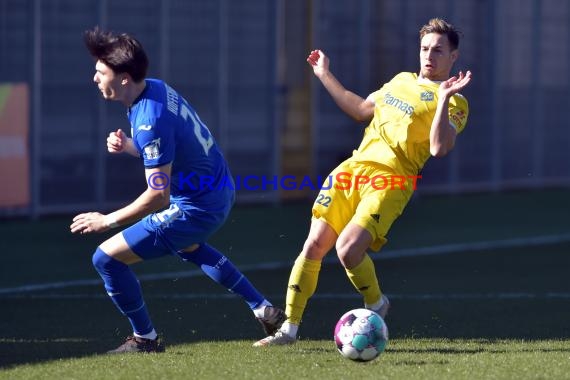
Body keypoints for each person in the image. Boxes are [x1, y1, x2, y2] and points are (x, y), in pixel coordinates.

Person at [254, 18, 471, 346]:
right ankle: (289, 330)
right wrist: (324, 74)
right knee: (313, 246)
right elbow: (360, 110)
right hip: (352, 170)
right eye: (425, 48)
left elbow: (440, 148)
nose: (430, 55)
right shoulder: (400, 81)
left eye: (439, 50)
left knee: (348, 249)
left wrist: (442, 99)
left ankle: (376, 303)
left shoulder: (455, 102)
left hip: (392, 180)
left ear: (453, 57)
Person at [71, 27, 285, 353]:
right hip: (218, 188)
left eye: (101, 72)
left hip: (196, 206)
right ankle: (262, 308)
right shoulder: (155, 88)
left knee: (106, 259)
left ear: (125, 77)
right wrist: (131, 146)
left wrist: (107, 221)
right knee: (190, 246)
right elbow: (173, 148)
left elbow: (158, 196)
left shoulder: (148, 120)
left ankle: (145, 339)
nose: (95, 78)